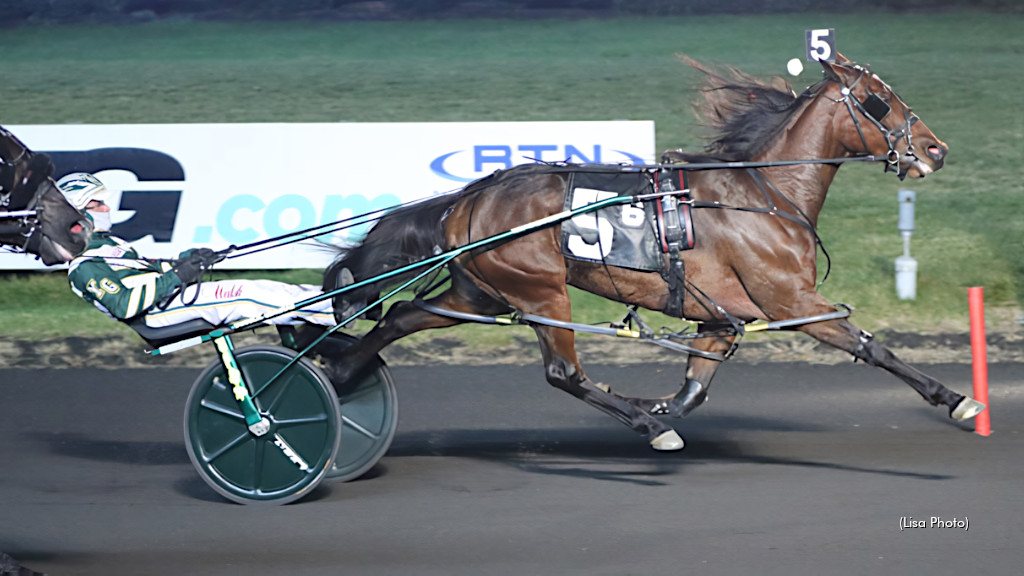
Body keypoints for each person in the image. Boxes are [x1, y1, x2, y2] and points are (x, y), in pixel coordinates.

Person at [58, 172, 335, 330]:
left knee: (259, 286)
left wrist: (188, 260)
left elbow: (152, 270)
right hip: (155, 314)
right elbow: (124, 305)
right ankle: (333, 311)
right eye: (98, 205)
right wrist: (179, 276)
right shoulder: (83, 266)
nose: (107, 208)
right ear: (77, 215)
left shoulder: (112, 245)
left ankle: (333, 298)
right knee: (245, 296)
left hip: (170, 300)